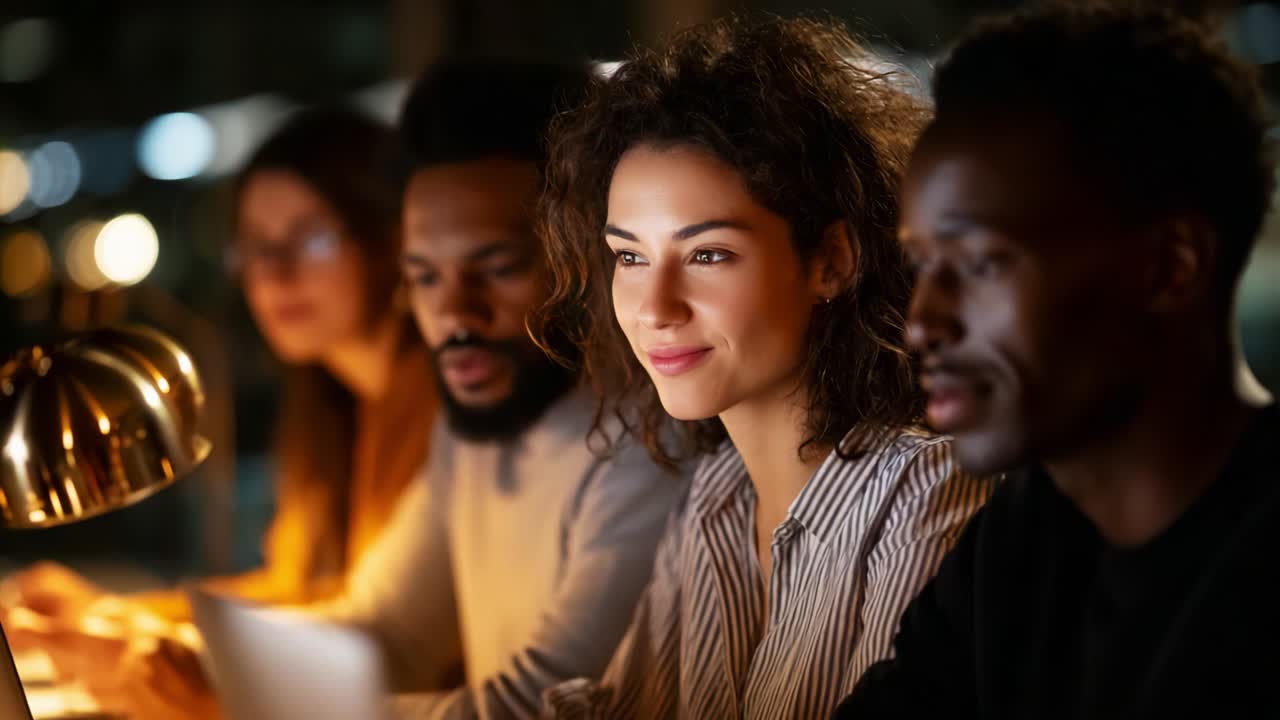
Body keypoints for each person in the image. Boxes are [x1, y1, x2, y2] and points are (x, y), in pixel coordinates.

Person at [80, 59, 686, 720]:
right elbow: (386, 630)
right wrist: (174, 656)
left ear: (590, 258)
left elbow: (541, 706)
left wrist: (234, 704)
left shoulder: (649, 442)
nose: (455, 315)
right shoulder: (476, 422)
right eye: (425, 276)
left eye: (501, 267)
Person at [535, 16, 991, 718]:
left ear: (832, 261)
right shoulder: (717, 495)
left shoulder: (923, 494)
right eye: (630, 256)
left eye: (708, 254)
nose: (656, 308)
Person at [834, 4, 1277, 718]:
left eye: (980, 264)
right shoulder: (1023, 537)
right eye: (921, 265)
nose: (922, 324)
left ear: (1170, 267)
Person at [6, 107, 436, 619]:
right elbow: (295, 586)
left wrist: (136, 641)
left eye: (311, 237)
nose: (276, 273)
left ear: (389, 241)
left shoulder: (443, 415)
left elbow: (363, 620)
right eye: (256, 245)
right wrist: (110, 614)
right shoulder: (327, 408)